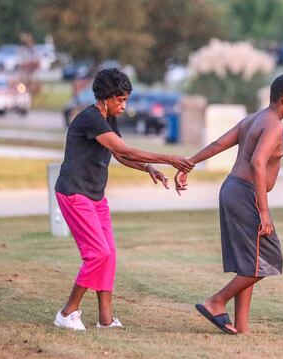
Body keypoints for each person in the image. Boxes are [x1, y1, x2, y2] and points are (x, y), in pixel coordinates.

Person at [53, 68, 194, 331]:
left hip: (95, 195)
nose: (124, 105)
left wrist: (147, 168)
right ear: (105, 98)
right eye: (121, 100)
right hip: (74, 193)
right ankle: (67, 312)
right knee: (97, 254)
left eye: (126, 100)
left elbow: (121, 156)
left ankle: (105, 319)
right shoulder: (91, 119)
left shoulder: (108, 119)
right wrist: (170, 158)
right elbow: (123, 149)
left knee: (109, 255)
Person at [175, 74, 283, 334]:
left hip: (231, 189)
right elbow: (258, 163)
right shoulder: (274, 125)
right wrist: (264, 212)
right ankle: (215, 302)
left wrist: (188, 164)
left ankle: (242, 327)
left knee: (250, 260)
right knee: (269, 258)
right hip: (246, 194)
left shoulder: (253, 119)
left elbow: (218, 144)